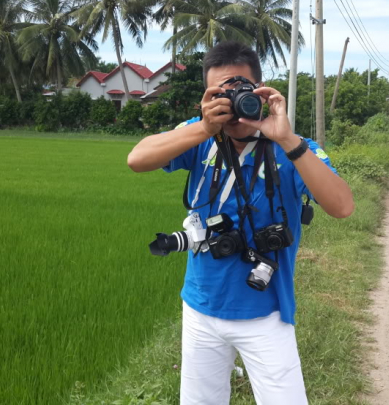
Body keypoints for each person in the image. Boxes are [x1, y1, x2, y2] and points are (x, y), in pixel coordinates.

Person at [127, 41, 354, 404]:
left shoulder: (292, 147)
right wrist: (203, 127)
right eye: (221, 93)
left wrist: (287, 139)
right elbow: (137, 159)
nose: (232, 104)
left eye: (240, 90)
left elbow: (342, 206)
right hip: (200, 307)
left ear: (261, 92)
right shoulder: (201, 136)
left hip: (266, 312)